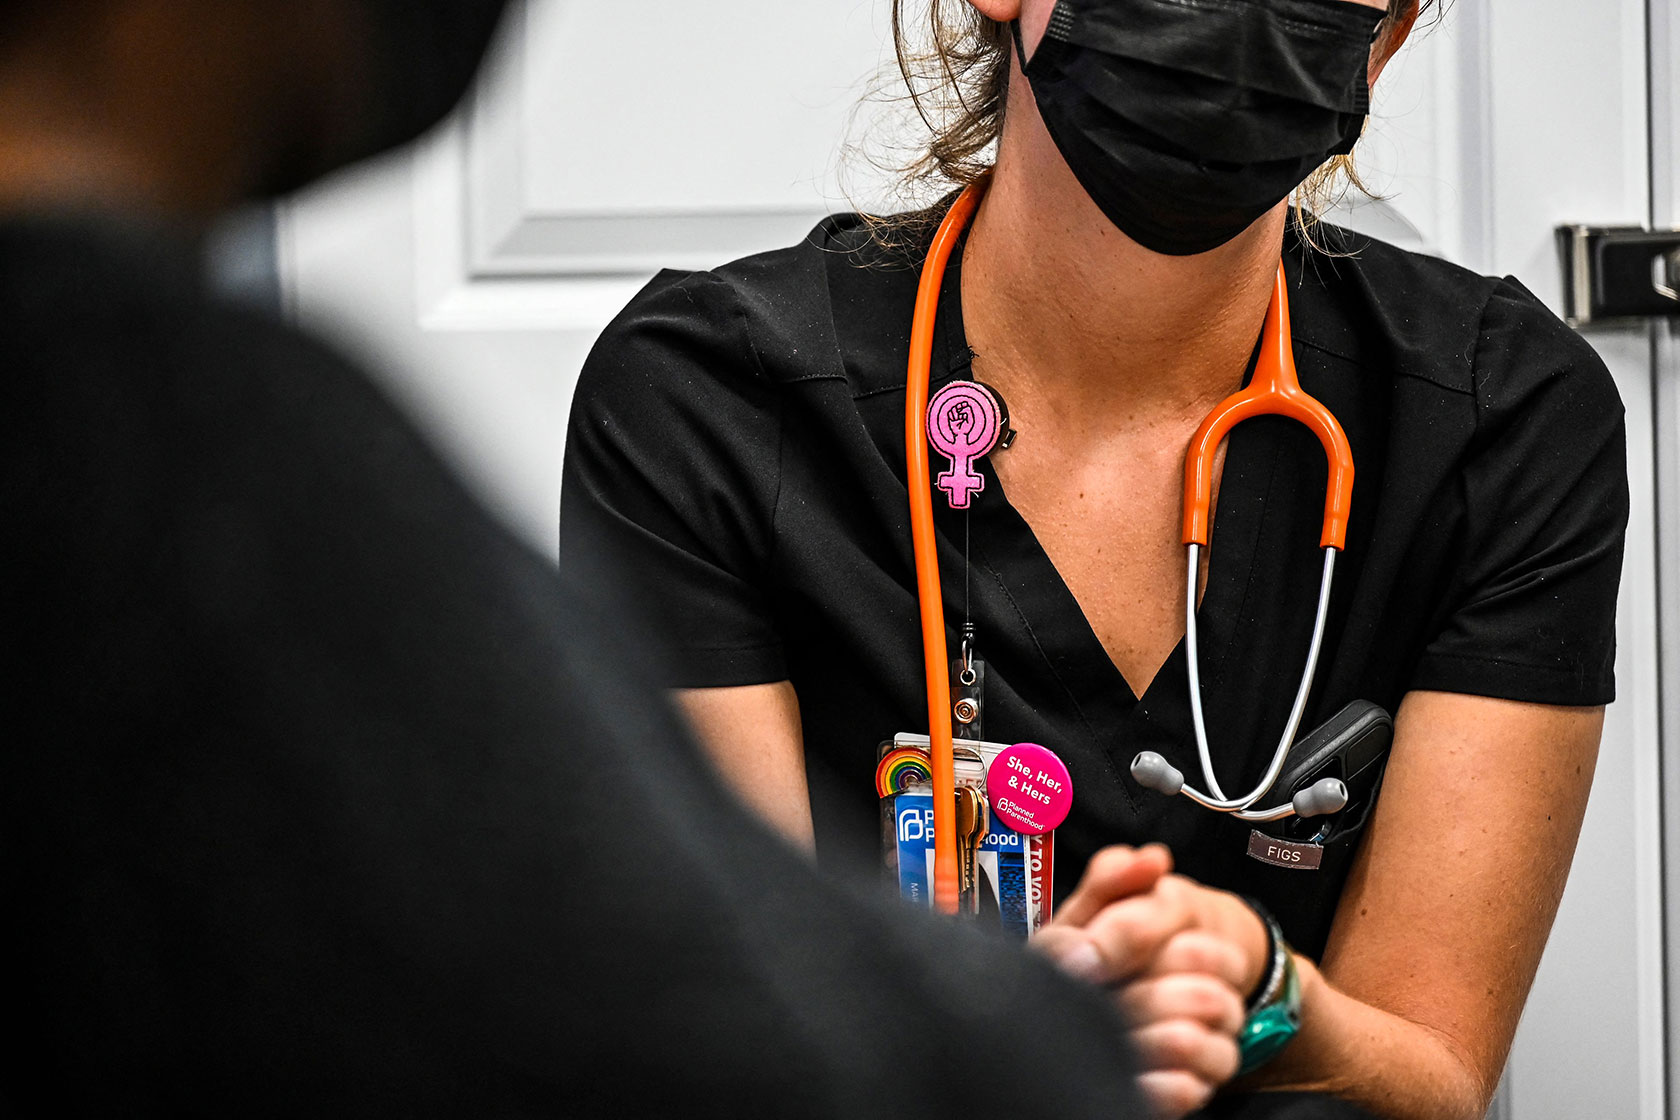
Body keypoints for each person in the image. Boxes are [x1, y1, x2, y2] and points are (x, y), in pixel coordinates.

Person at [0, 0, 1278, 1116]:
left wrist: (1261, 997)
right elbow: (740, 1033)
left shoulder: (1466, 381)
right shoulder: (144, 443)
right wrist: (1061, 1029)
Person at [561, 0, 1629, 1116]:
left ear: (1391, 30)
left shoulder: (1501, 419)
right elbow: (732, 1045)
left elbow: (1434, 1071)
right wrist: (1004, 1035)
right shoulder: (706, 403)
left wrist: (1262, 998)